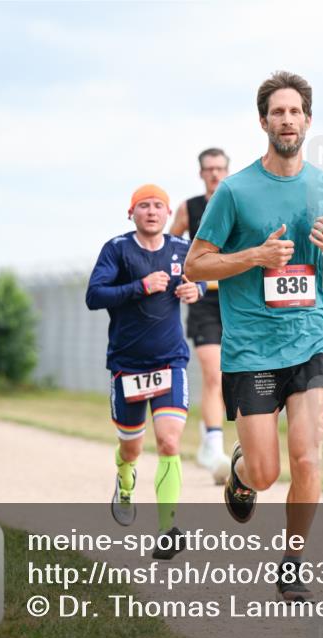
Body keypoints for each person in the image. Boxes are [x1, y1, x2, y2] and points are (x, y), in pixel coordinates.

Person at [185, 71, 323, 602]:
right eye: (277, 112)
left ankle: (293, 558)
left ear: (308, 119)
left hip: (310, 338)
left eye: (295, 111)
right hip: (251, 347)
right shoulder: (235, 191)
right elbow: (196, 265)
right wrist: (256, 257)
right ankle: (241, 467)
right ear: (263, 121)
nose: (287, 120)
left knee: (307, 458)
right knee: (266, 474)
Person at [86, 184, 205, 560]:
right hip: (127, 364)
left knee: (169, 442)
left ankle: (167, 528)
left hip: (170, 360)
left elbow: (200, 278)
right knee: (131, 447)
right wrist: (139, 286)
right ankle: (125, 479)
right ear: (131, 213)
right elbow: (95, 295)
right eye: (144, 206)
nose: (151, 212)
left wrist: (196, 290)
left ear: (168, 214)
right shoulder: (117, 249)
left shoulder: (181, 250)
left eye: (158, 206)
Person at [169, 147, 232, 484]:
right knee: (213, 374)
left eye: (220, 168)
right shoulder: (189, 209)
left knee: (237, 377)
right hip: (204, 300)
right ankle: (213, 445)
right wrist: (180, 278)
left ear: (228, 171)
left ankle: (228, 444)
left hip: (238, 301)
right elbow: (169, 246)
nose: (215, 174)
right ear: (201, 173)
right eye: (209, 169)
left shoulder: (239, 203)